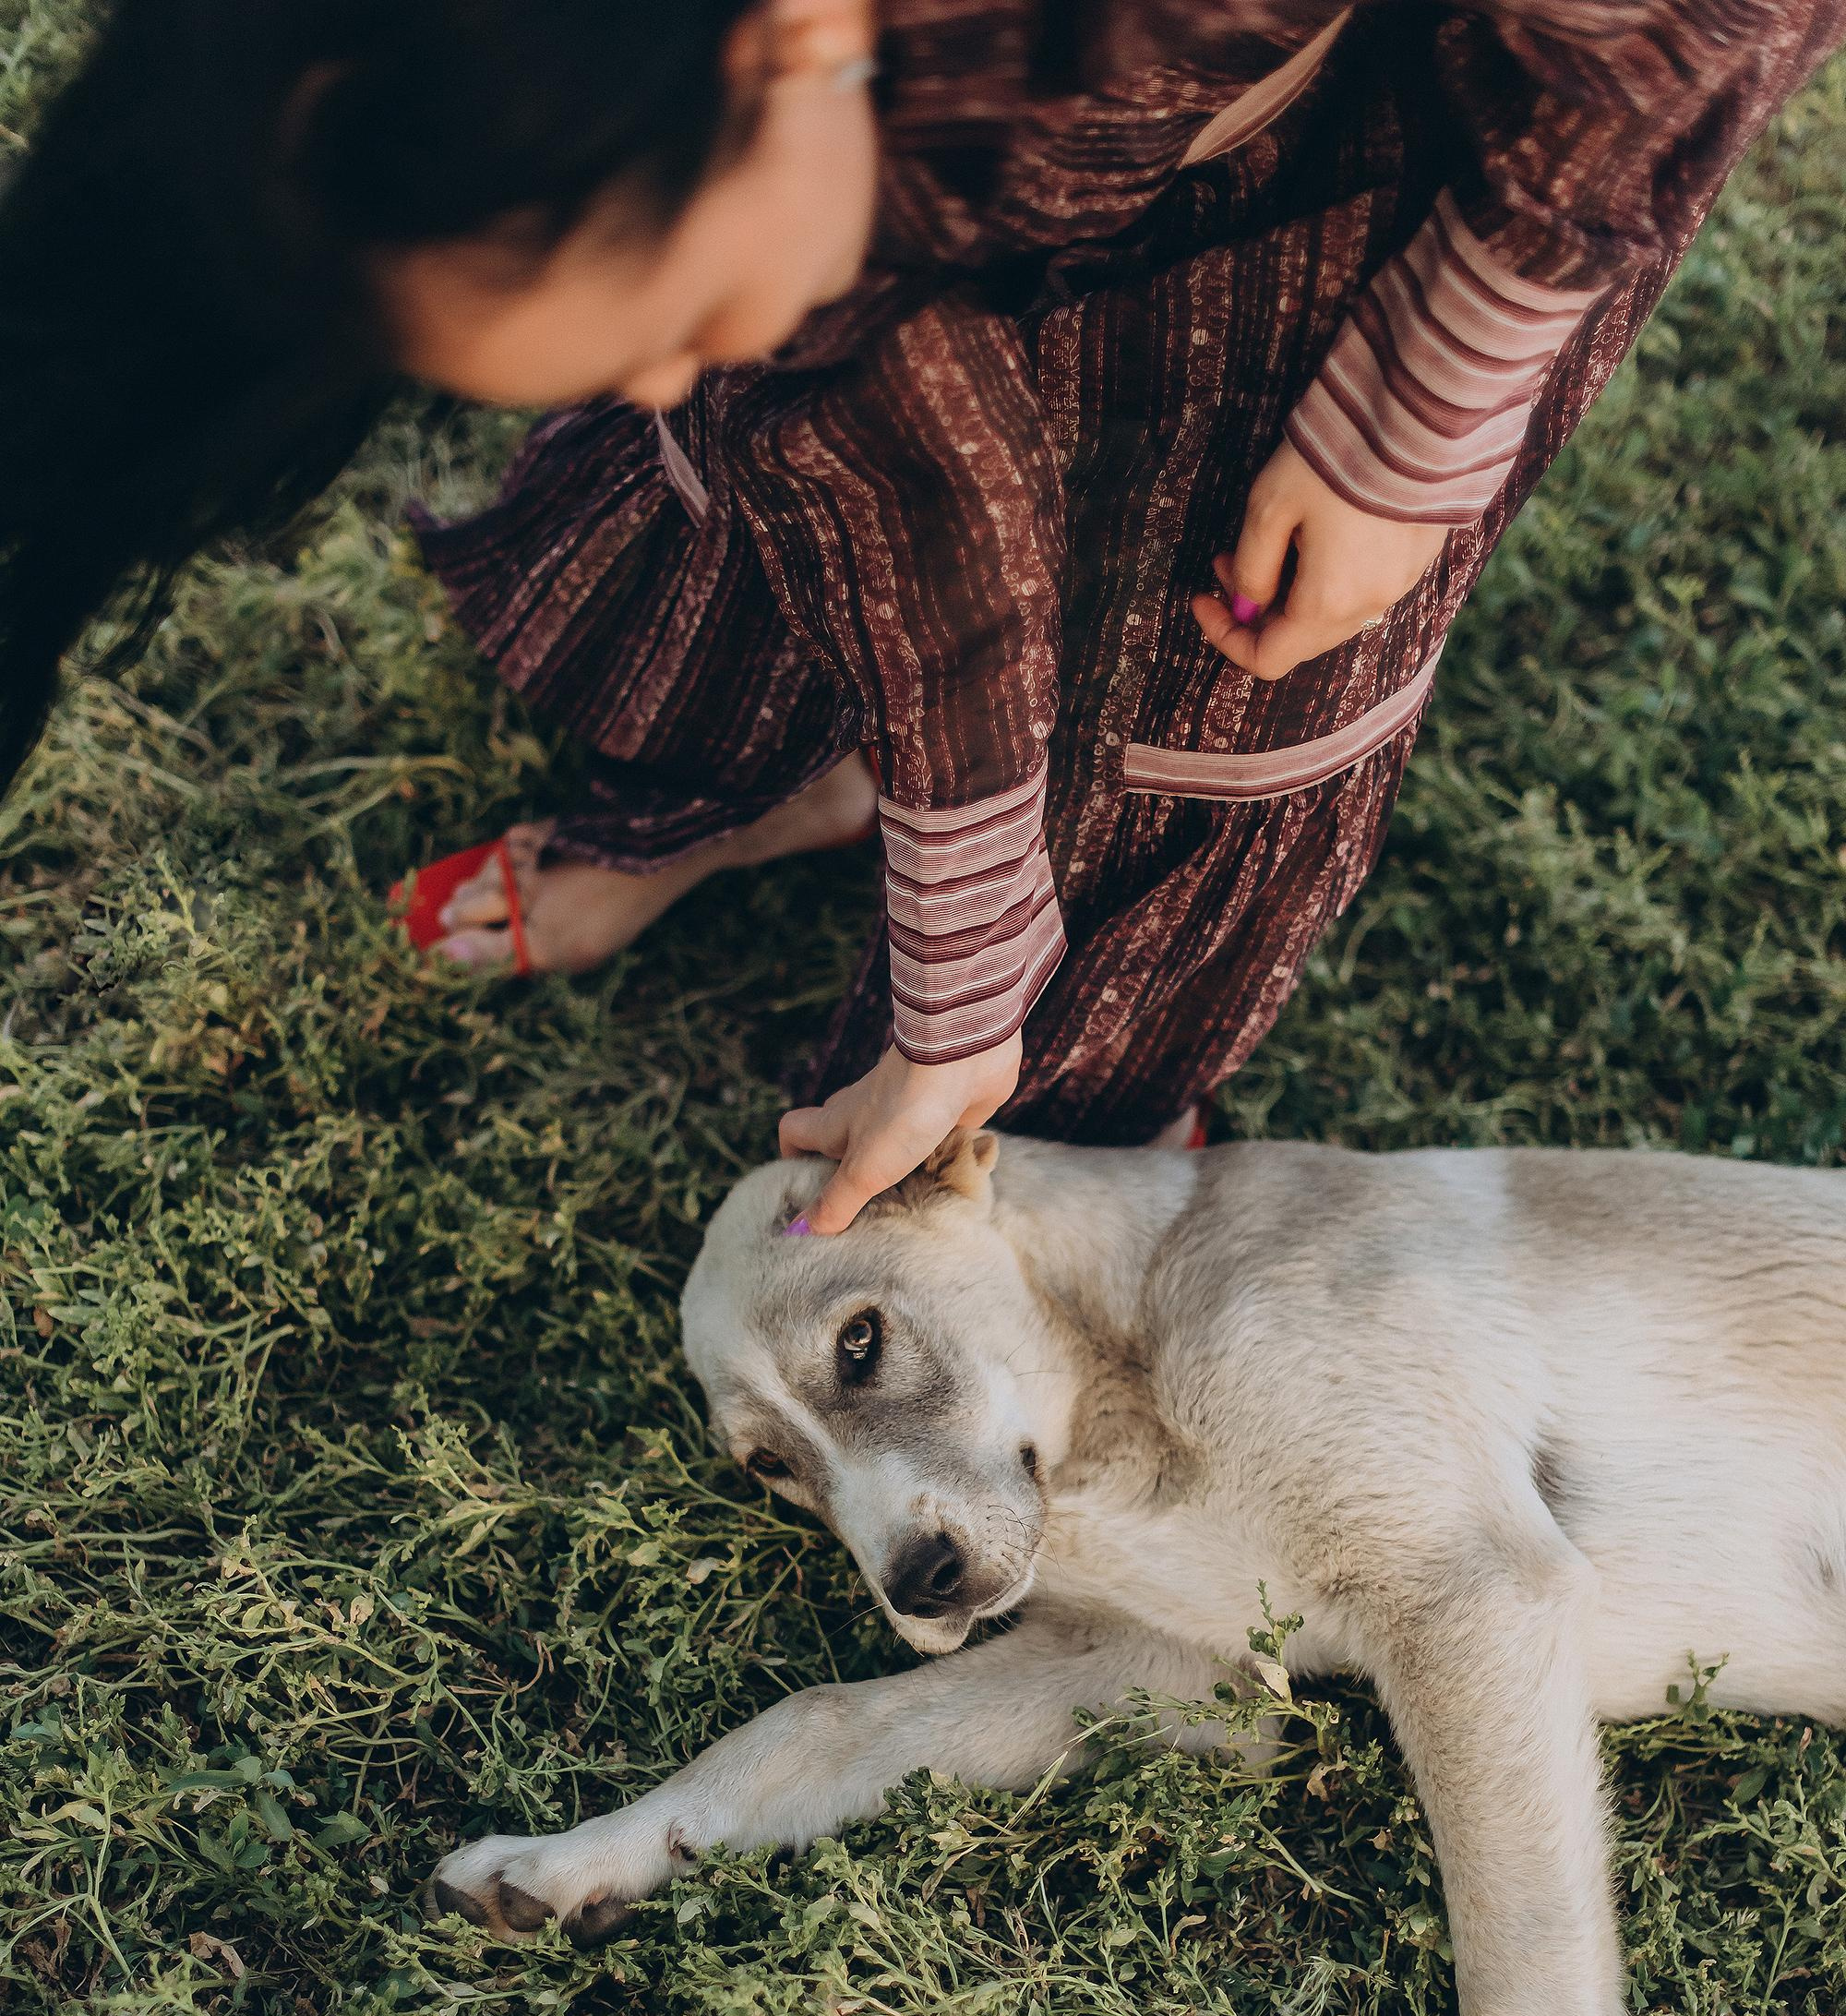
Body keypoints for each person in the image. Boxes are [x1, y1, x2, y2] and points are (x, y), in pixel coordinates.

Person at [1, 0, 1839, 1233]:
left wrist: (1426, 388)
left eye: (664, 307)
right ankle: (813, 791)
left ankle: (1024, 1039)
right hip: (943, 155)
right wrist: (962, 980)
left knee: (1213, 631)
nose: (647, 386)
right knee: (773, 465)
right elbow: (881, 455)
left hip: (1396, 141)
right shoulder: (714, 124)